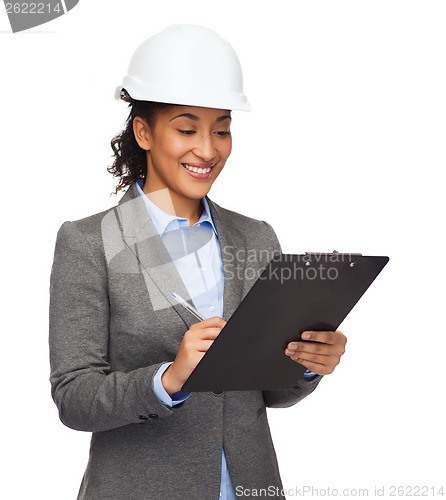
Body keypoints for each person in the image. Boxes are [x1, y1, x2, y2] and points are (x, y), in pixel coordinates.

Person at [49, 24, 347, 500]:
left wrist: (307, 365)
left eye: (222, 130)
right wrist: (168, 379)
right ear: (143, 131)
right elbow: (74, 398)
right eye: (187, 129)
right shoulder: (89, 242)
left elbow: (268, 393)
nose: (208, 150)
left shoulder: (255, 236)